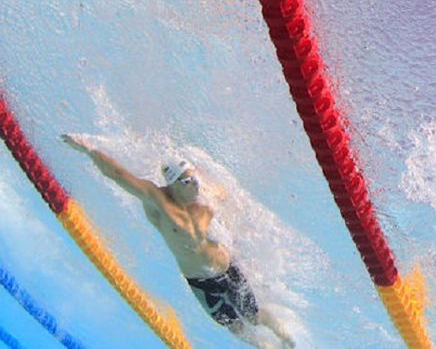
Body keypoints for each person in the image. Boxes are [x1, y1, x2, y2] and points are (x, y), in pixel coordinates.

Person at [61, 135, 293, 348]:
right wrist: (89, 149)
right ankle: (266, 347)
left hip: (228, 268)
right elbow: (119, 175)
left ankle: (287, 339)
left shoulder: (206, 195)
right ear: (173, 184)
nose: (195, 185)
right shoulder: (159, 201)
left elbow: (235, 200)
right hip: (201, 281)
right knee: (234, 326)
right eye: (188, 181)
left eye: (195, 178)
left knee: (254, 315)